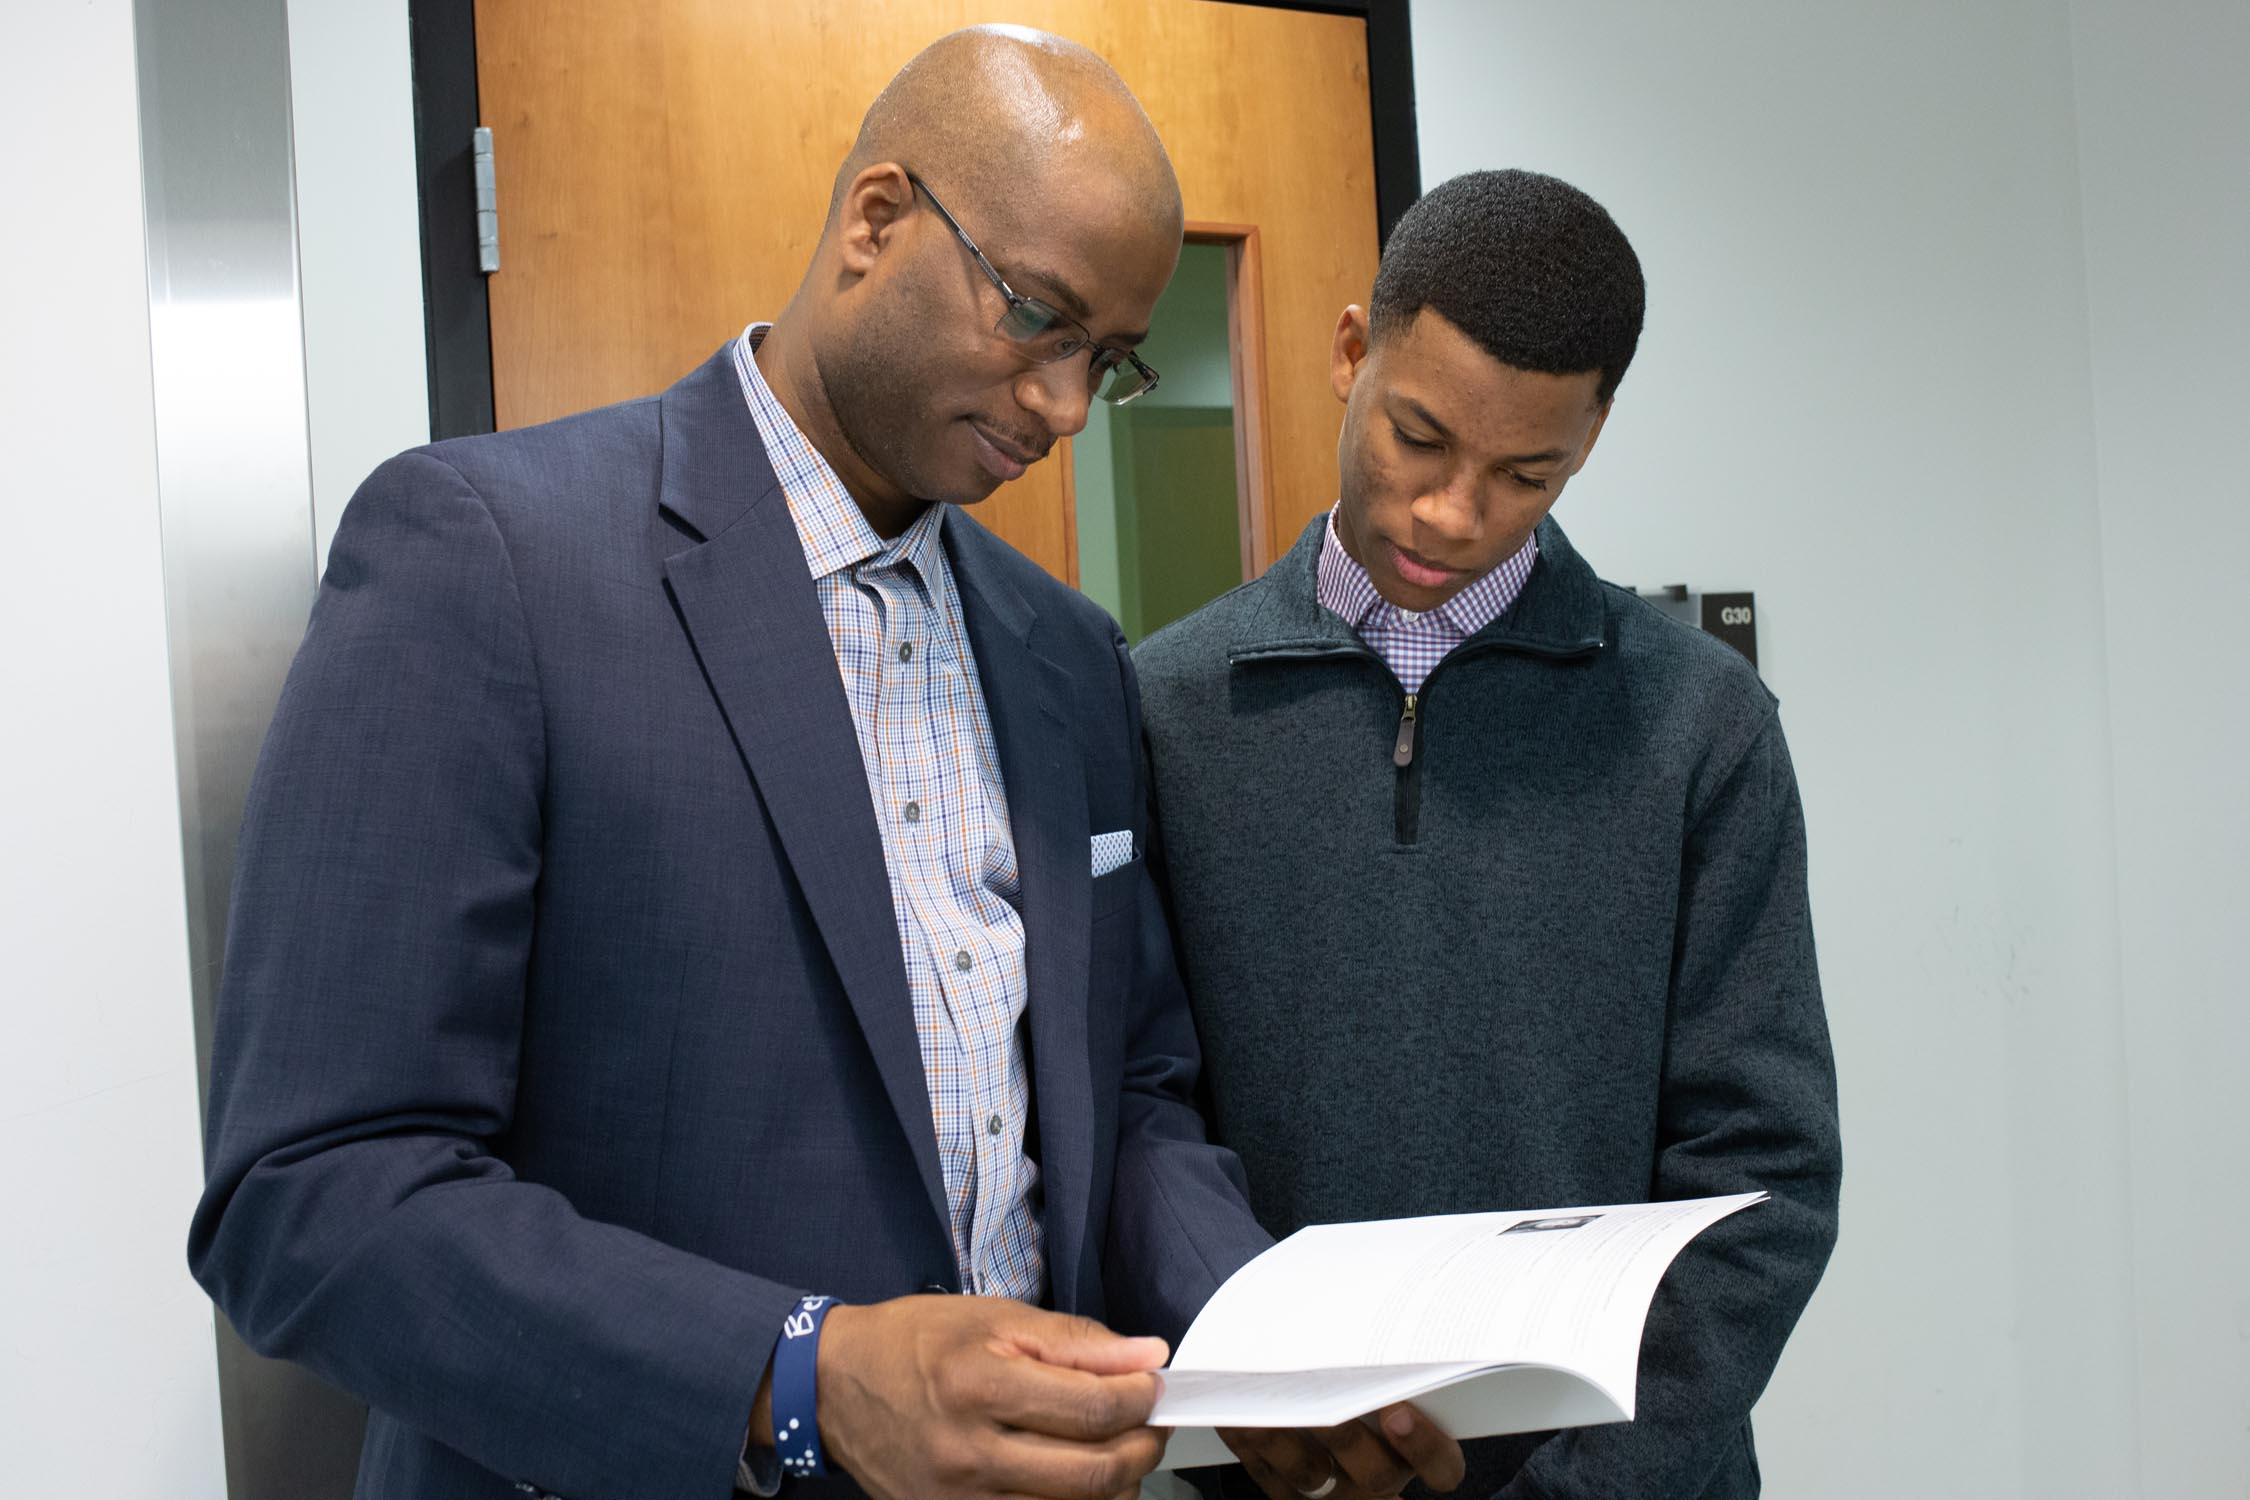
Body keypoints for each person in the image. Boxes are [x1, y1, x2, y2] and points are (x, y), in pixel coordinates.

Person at [188, 27, 1460, 1500]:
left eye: (1102, 362)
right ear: (875, 221)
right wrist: (793, 1376)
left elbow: (1126, 1098)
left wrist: (1266, 1341)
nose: (1058, 407)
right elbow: (312, 1196)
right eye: (1036, 320)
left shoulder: (1064, 654)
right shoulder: (485, 560)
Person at [1134, 169, 1843, 1500]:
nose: (1453, 514)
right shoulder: (1166, 709)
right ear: (1350, 352)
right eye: (1417, 438)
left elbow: (1761, 1176)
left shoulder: (1702, 725)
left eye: (1527, 474)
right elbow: (1143, 1119)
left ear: (1592, 434)